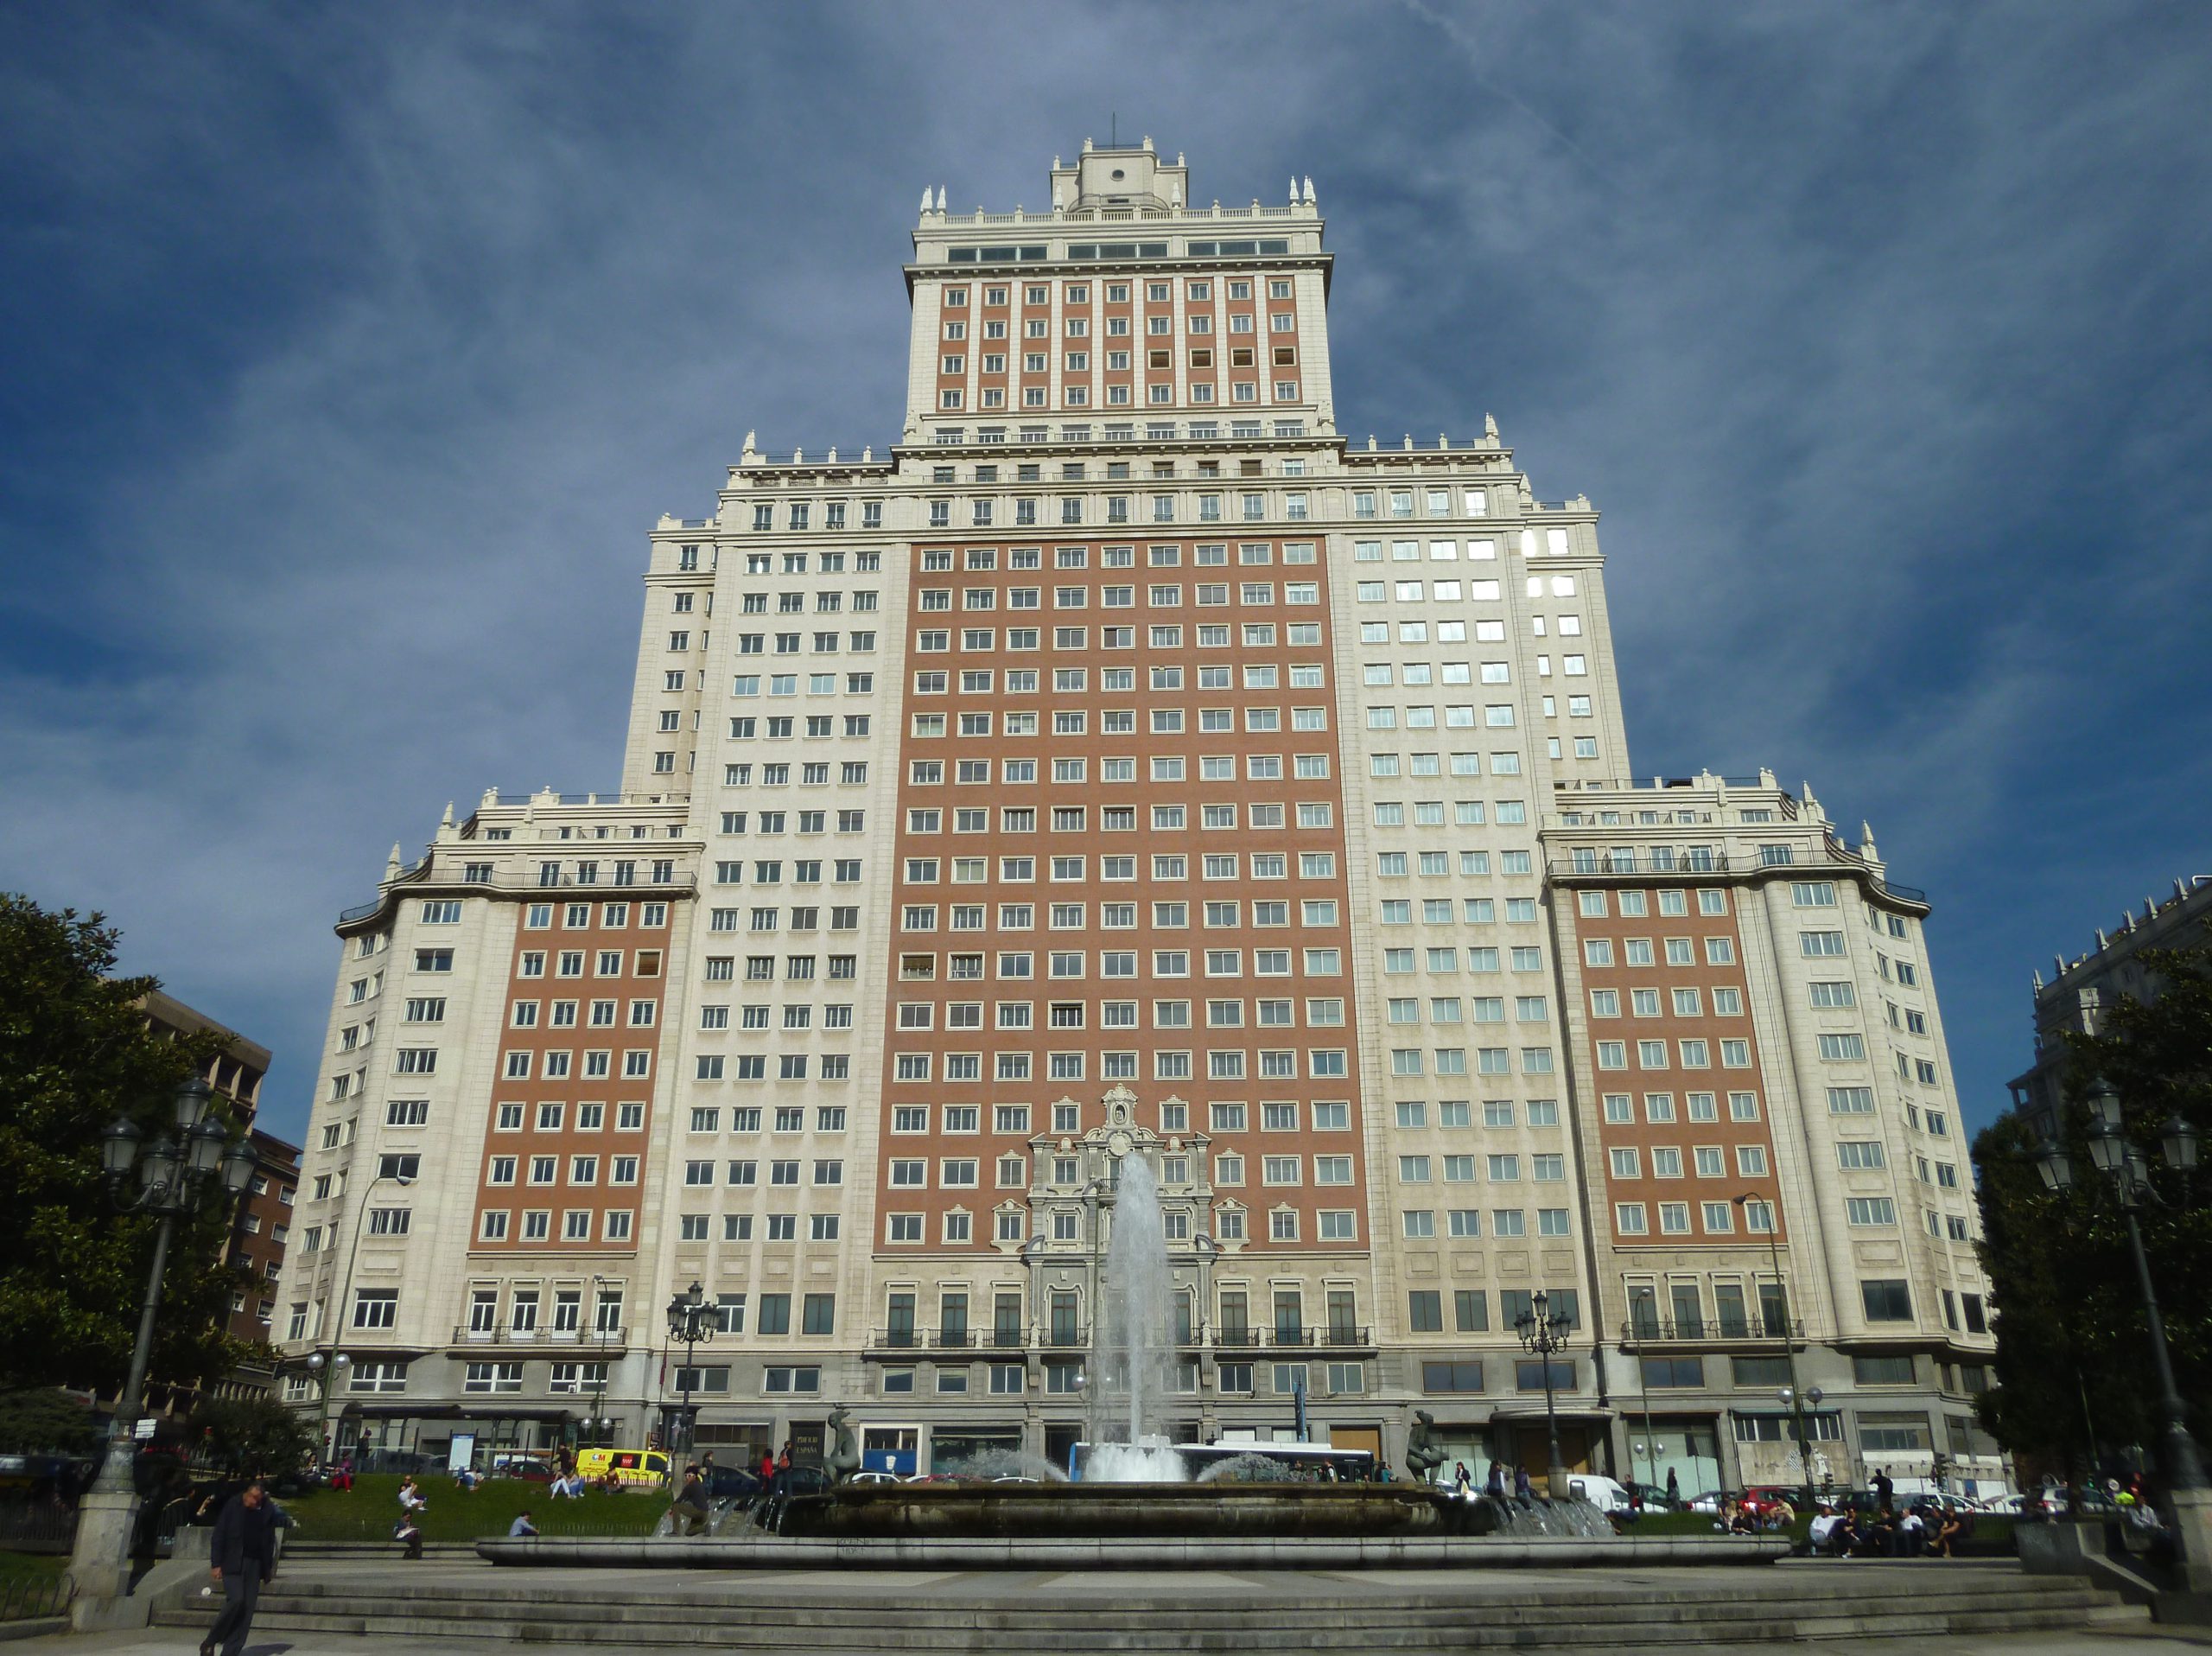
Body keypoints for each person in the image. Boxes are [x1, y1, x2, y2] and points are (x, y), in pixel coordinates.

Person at [201, 1481, 275, 1656]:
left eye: (260, 1499)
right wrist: (216, 1564)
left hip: (255, 1563)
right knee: (236, 1600)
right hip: (233, 1562)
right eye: (254, 1498)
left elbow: (269, 1540)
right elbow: (219, 1534)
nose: (256, 1502)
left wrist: (268, 1568)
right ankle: (211, 1640)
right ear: (247, 1494)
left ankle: (231, 1652)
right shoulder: (233, 1505)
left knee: (247, 1610)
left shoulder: (267, 1509)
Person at [670, 1465, 711, 1537]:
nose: (686, 1478)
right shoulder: (699, 1484)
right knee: (688, 1532)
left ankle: (676, 1531)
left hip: (698, 1512)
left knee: (676, 1506)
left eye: (689, 1476)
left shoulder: (691, 1486)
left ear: (694, 1476)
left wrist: (672, 1508)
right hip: (705, 1514)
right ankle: (704, 1528)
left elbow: (679, 1500)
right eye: (686, 1476)